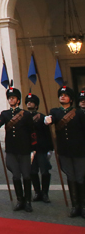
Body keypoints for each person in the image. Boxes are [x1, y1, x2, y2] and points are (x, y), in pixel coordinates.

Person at [0, 87, 36, 212]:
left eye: (13, 98)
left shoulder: (26, 114)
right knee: (16, 176)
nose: (11, 99)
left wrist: (33, 148)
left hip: (24, 149)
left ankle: (28, 201)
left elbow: (32, 132)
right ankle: (20, 200)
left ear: (18, 100)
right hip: (11, 149)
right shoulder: (5, 114)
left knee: (26, 176)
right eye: (9, 98)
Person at [44, 86, 85, 218]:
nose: (62, 96)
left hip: (79, 150)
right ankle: (75, 206)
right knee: (71, 177)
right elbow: (51, 120)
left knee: (80, 177)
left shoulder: (78, 113)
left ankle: (83, 206)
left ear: (71, 99)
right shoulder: (55, 112)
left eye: (66, 95)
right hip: (64, 150)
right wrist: (47, 121)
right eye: (61, 94)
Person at [25, 93, 52, 203]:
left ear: (36, 105)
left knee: (44, 171)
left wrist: (50, 149)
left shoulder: (42, 117)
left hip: (41, 148)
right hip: (29, 149)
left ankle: (45, 193)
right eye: (28, 102)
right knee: (33, 172)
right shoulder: (24, 117)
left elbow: (47, 134)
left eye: (32, 102)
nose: (29, 103)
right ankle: (37, 192)